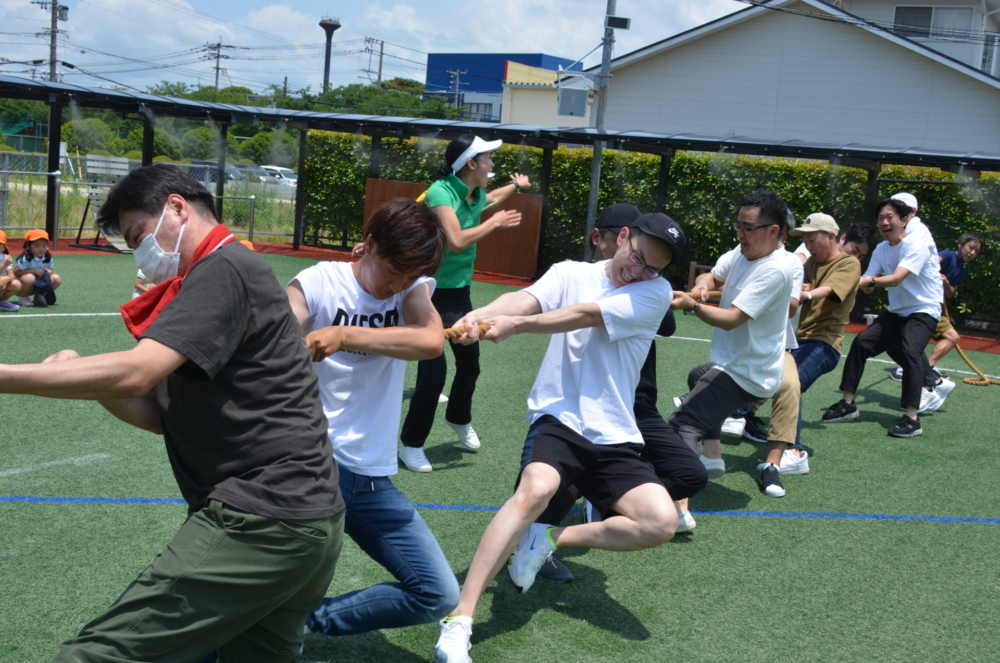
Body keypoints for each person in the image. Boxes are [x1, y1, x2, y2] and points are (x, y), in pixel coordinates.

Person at [0, 164, 345, 660]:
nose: (141, 252)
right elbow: (160, 413)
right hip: (308, 524)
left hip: (261, 518)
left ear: (178, 207)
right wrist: (81, 380)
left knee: (94, 655)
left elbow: (139, 372)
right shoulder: (224, 272)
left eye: (139, 235)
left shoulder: (223, 267)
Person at [432, 213, 685, 663]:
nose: (639, 271)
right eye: (637, 257)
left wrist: (516, 327)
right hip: (560, 419)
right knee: (535, 491)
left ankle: (550, 539)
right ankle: (459, 620)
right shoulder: (570, 273)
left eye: (652, 268)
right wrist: (479, 316)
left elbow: (584, 316)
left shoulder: (655, 293)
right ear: (623, 237)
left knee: (660, 522)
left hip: (615, 433)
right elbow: (525, 300)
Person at [283, 198, 461, 638]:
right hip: (309, 464)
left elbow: (430, 342)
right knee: (270, 577)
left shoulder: (410, 288)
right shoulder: (319, 281)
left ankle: (300, 625)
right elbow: (276, 332)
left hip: (370, 476)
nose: (395, 285)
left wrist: (344, 335)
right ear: (369, 244)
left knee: (437, 593)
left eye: (409, 276)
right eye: (392, 271)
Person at [530, 204, 703, 587]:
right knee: (565, 474)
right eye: (630, 247)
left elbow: (667, 324)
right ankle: (534, 539)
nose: (636, 265)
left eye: (651, 263)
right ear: (607, 238)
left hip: (636, 408)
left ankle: (607, 500)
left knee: (690, 474)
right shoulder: (576, 278)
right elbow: (570, 311)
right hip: (588, 407)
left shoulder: (648, 288)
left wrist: (656, 293)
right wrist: (512, 321)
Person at [398, 134, 531, 472]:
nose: (492, 164)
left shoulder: (476, 193)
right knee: (434, 374)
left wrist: (515, 186)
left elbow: (491, 197)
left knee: (470, 365)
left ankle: (457, 417)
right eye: (487, 159)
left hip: (459, 293)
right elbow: (455, 240)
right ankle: (411, 444)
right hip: (427, 292)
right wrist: (495, 223)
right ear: (471, 163)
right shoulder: (440, 192)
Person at [670, 190, 794, 498]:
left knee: (683, 423)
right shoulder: (742, 252)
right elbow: (712, 276)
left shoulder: (776, 269)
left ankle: (677, 502)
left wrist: (693, 305)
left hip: (748, 372)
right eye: (738, 226)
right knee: (699, 376)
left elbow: (732, 318)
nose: (740, 234)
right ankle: (712, 455)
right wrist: (701, 286)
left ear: (773, 231)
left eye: (748, 228)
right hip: (735, 364)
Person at [823, 197, 944, 438]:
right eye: (881, 219)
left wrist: (864, 282)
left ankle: (912, 419)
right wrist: (848, 282)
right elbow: (868, 283)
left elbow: (896, 278)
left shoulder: (917, 245)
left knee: (910, 352)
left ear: (904, 220)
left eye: (890, 217)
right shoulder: (880, 249)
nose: (885, 223)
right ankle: (847, 404)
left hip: (923, 309)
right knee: (861, 343)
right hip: (897, 311)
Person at [780, 213, 864, 471]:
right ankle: (744, 417)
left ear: (831, 237)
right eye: (805, 240)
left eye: (812, 239)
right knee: (769, 378)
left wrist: (804, 294)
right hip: (799, 340)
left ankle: (794, 452)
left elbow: (828, 290)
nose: (808, 245)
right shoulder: (810, 263)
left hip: (824, 344)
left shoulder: (848, 263)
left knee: (792, 385)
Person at [890, 231, 984, 390]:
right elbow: (927, 263)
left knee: (952, 337)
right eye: (971, 247)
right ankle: (905, 369)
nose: (972, 252)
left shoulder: (962, 271)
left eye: (976, 251)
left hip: (933, 308)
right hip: (919, 304)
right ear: (960, 245)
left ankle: (926, 368)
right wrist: (935, 274)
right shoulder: (947, 255)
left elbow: (950, 293)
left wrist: (946, 282)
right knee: (920, 337)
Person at [14, 228, 61, 307]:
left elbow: (51, 270)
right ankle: (23, 298)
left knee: (56, 278)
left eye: (44, 246)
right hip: (22, 287)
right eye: (37, 246)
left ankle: (39, 297)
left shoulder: (48, 257)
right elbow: (16, 272)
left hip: (39, 285)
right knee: (29, 277)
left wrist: (49, 271)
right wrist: (33, 270)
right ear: (29, 246)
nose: (41, 249)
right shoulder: (26, 257)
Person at [0, 229, 21, 311]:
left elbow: (11, 275)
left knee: (16, 284)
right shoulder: (6, 261)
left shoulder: (5, 257)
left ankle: (1, 302)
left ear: (3, 247)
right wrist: (5, 264)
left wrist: (7, 278)